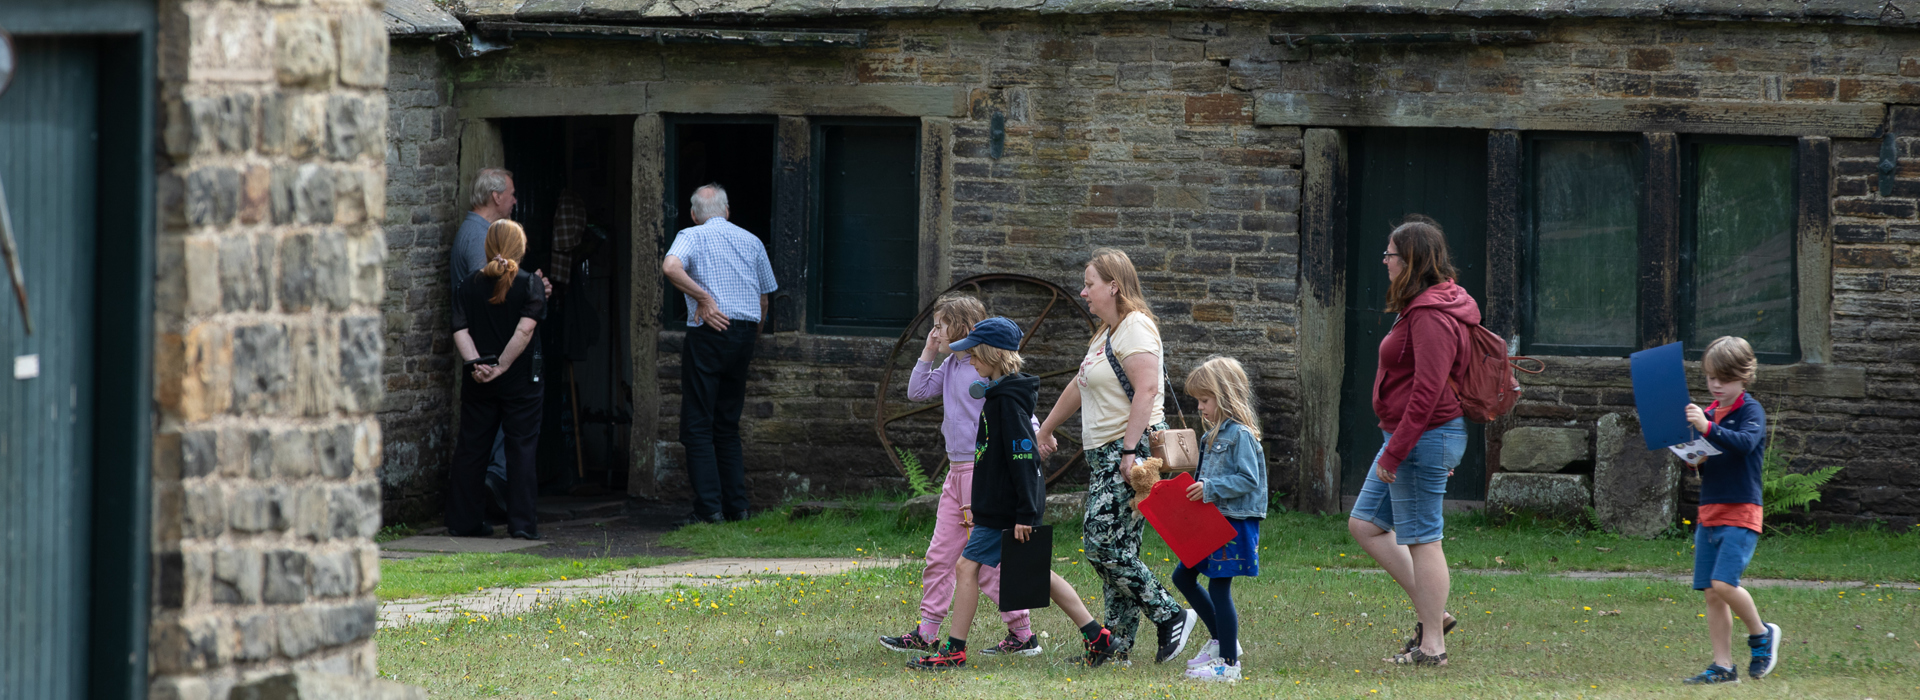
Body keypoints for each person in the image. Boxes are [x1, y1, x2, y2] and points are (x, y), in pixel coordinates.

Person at [908, 318, 1117, 671]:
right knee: (1036, 574)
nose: (970, 362)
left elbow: (1025, 460)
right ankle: (1097, 635)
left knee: (965, 567)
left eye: (974, 355)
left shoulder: (1006, 403)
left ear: (991, 355)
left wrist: (1026, 514)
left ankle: (954, 650)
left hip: (1007, 510)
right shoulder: (1000, 396)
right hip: (1001, 505)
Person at [1036, 248, 1198, 665]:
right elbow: (1080, 383)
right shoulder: (1106, 333)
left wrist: (1128, 452)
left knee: (1101, 545)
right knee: (1119, 548)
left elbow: (1146, 390)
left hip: (1130, 452)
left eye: (1089, 283)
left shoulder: (1136, 327)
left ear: (1113, 285)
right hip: (1106, 454)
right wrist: (1048, 427)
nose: (1083, 291)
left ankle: (1170, 614)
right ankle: (1117, 646)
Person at [1346, 215, 1473, 667]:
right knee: (1365, 524)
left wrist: (1397, 451)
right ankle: (1435, 614)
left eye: (1391, 255)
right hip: (1411, 435)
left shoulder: (1430, 313)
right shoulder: (1422, 305)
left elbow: (1430, 390)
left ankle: (1433, 645)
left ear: (1411, 260)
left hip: (1420, 436)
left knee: (1423, 539)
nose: (1384, 261)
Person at [880, 295, 1037, 656]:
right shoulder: (951, 364)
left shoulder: (982, 370)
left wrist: (1038, 434)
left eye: (940, 325)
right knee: (940, 555)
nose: (934, 332)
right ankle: (927, 631)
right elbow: (917, 391)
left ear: (963, 328)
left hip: (978, 473)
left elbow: (1015, 410)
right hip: (955, 474)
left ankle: (1022, 632)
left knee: (983, 563)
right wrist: (929, 351)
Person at [662, 183, 778, 524]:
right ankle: (737, 507)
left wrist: (705, 299)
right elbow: (764, 299)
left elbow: (670, 267)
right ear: (727, 211)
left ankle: (709, 509)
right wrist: (749, 337)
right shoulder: (751, 240)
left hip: (711, 332)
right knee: (727, 424)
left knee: (697, 424)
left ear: (695, 214)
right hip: (743, 333)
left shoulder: (692, 235)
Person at [1680, 336, 1781, 685]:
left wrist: (1707, 428)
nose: (1716, 385)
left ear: (1744, 377)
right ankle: (1723, 667)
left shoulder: (1750, 411)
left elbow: (1743, 444)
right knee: (1711, 591)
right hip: (1709, 511)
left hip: (1742, 511)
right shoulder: (1706, 413)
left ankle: (1761, 633)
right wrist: (1694, 458)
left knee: (1724, 582)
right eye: (1710, 378)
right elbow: (1707, 462)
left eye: (1724, 379)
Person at [452, 168, 549, 520]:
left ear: (490, 247)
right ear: (519, 248)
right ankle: (522, 524)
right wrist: (502, 366)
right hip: (516, 375)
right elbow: (524, 331)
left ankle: (463, 520)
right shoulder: (529, 285)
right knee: (521, 448)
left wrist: (477, 363)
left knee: (471, 448)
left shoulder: (468, 286)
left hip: (479, 372)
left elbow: (459, 329)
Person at [1173, 356, 1267, 682]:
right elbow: (1203, 484)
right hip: (1212, 521)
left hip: (1233, 524)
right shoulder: (1210, 435)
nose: (1200, 407)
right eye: (1198, 400)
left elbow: (1248, 479)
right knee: (1182, 577)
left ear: (1224, 395)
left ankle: (1229, 666)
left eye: (1204, 400)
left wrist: (1210, 488)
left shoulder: (1240, 435)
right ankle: (1221, 641)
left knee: (1219, 587)